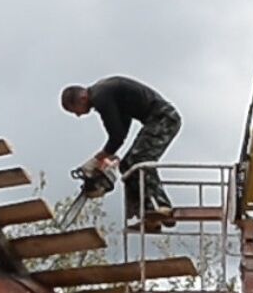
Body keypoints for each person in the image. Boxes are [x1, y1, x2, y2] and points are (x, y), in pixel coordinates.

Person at [60, 76, 181, 225]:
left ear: (82, 98)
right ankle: (148, 214)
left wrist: (97, 159)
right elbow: (122, 129)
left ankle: (162, 207)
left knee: (140, 162)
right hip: (156, 120)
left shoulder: (101, 97)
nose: (78, 115)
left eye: (75, 111)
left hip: (164, 119)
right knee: (127, 165)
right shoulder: (105, 92)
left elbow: (116, 136)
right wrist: (109, 156)